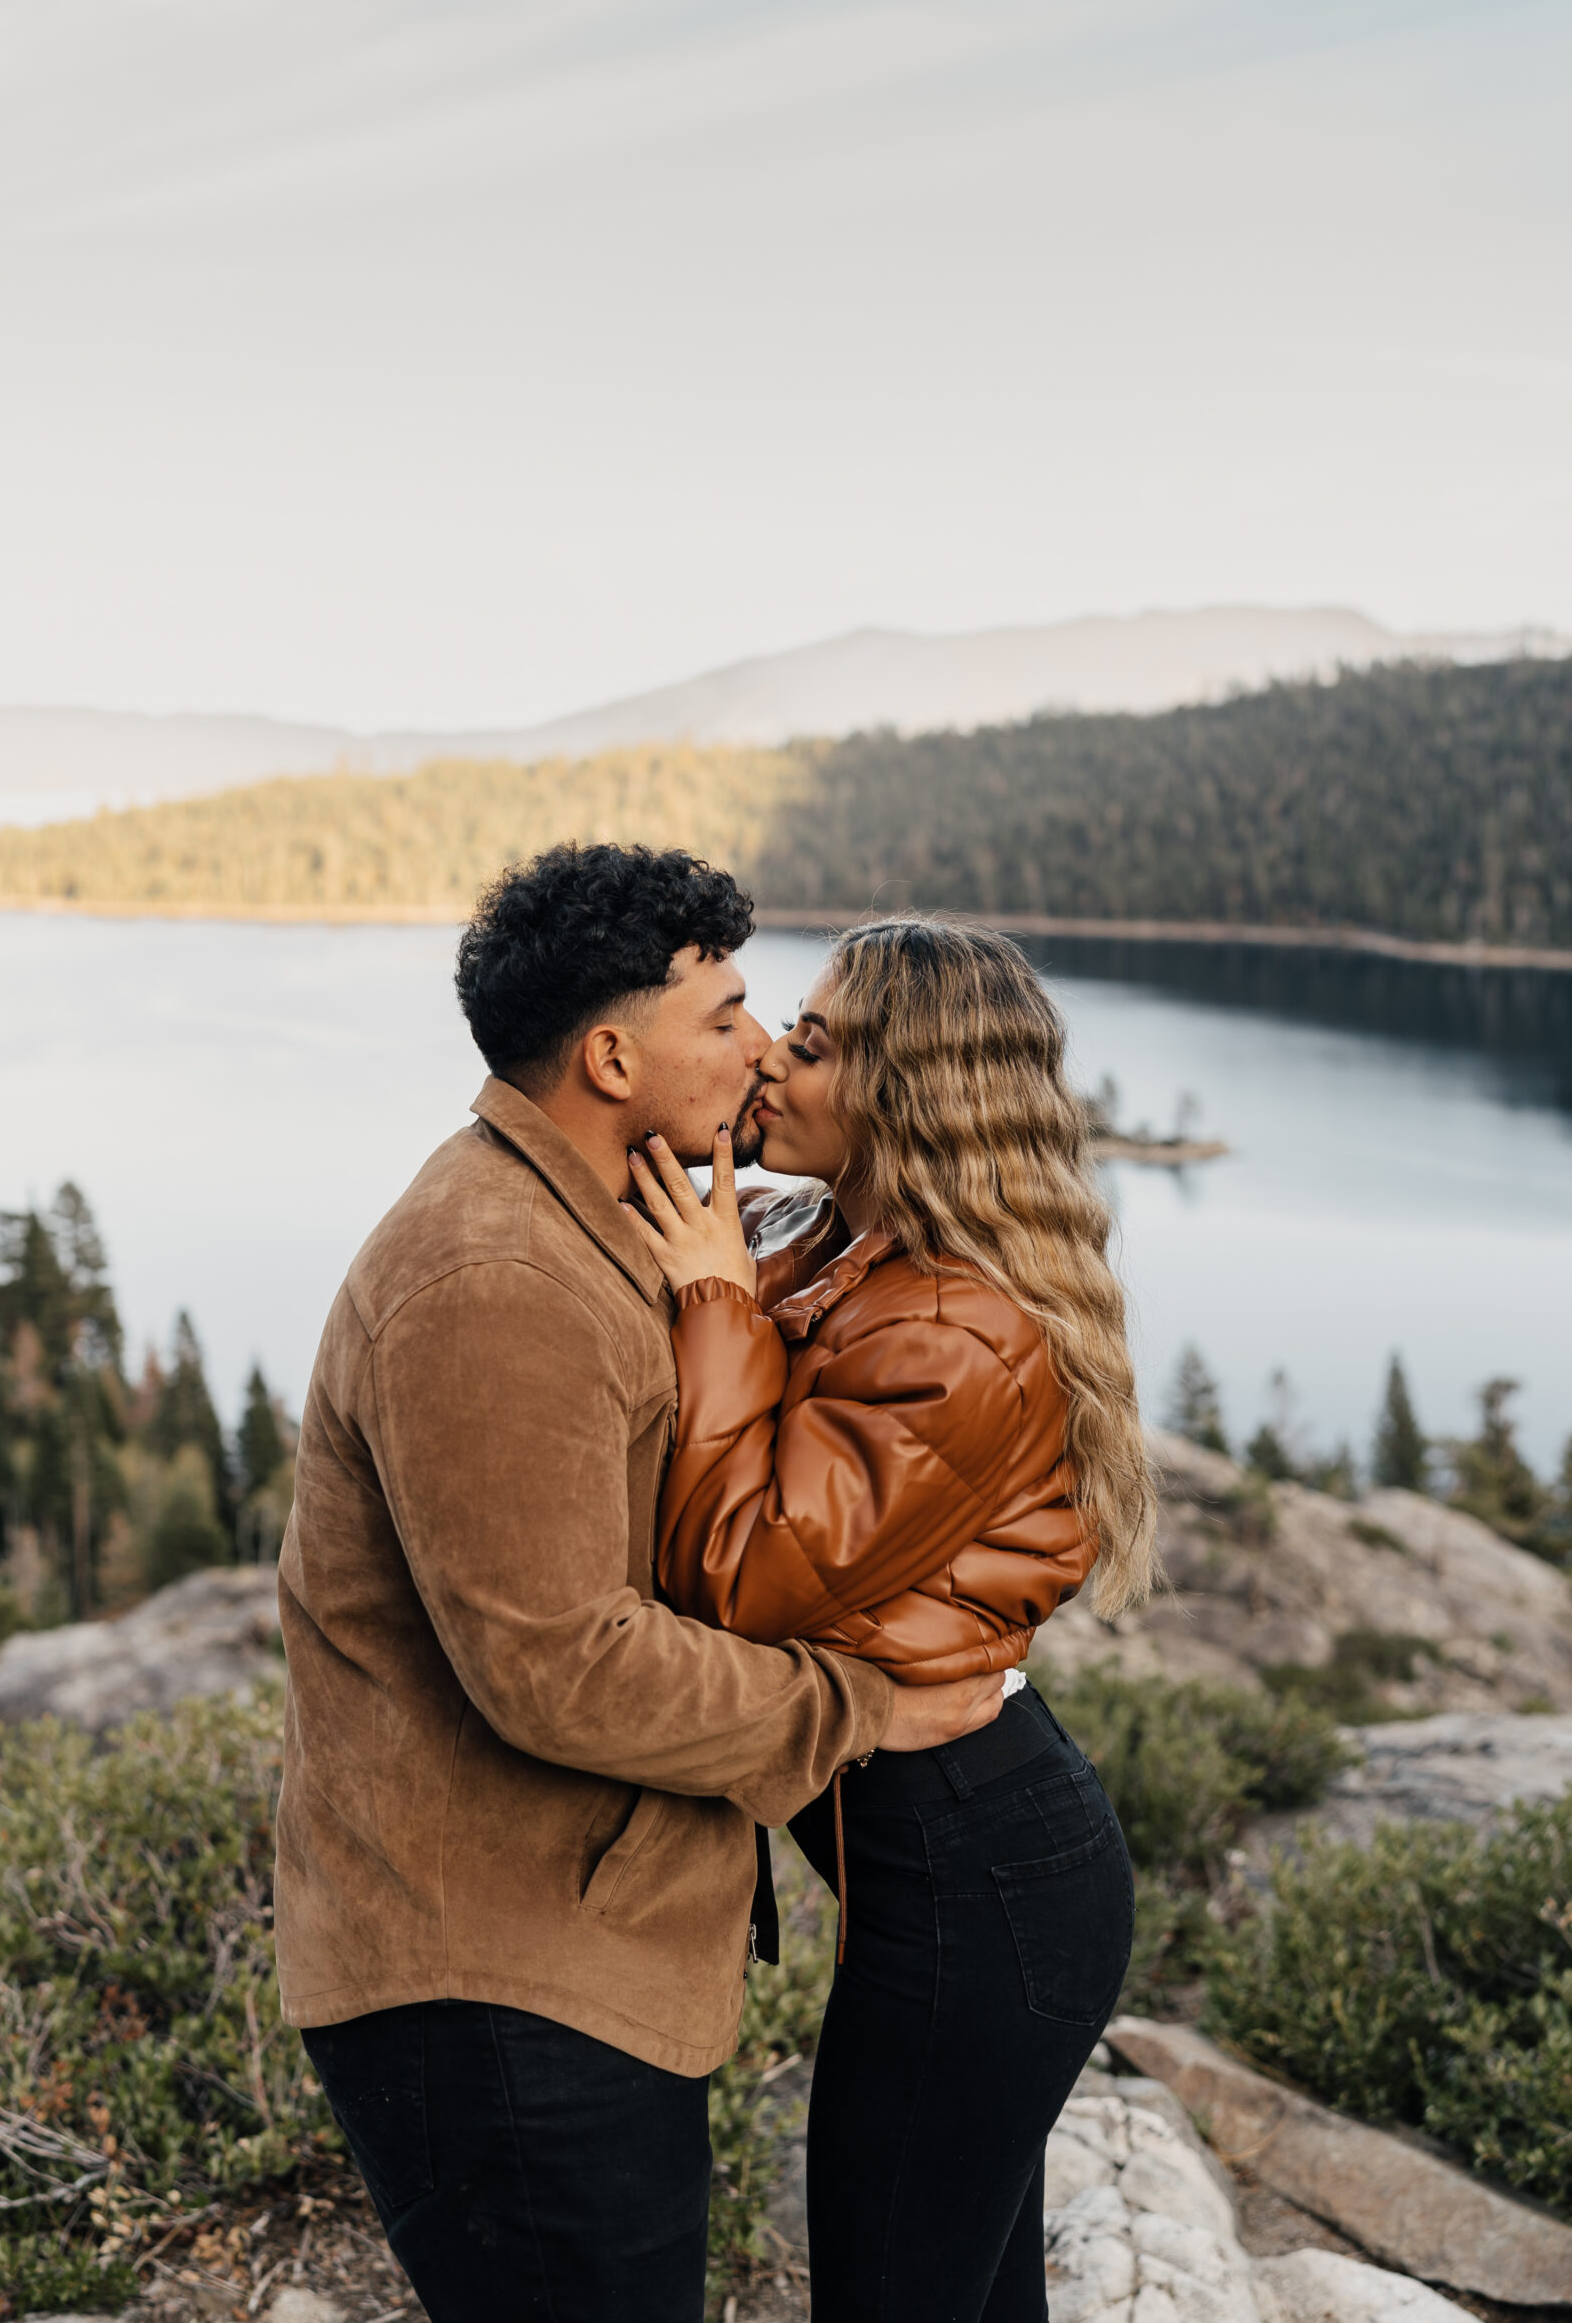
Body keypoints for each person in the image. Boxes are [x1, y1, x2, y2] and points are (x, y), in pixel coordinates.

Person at [274, 847, 1004, 2323]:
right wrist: (851, 1708)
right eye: (729, 1014)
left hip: (560, 1944)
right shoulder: (496, 1277)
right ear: (613, 1056)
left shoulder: (605, 1217)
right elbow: (561, 1664)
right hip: (496, 1984)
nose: (766, 1047)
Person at [628, 914, 1157, 2323]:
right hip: (955, 1868)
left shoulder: (957, 1333)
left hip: (986, 1889)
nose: (768, 1065)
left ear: (902, 1091)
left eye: (807, 1044)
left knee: (889, 2296)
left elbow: (743, 1576)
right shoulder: (834, 1243)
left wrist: (716, 1314)